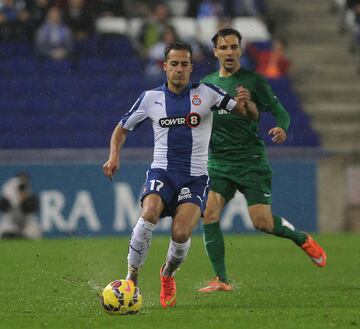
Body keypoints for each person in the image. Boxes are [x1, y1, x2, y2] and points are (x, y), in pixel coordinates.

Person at [102, 42, 258, 308]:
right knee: (149, 212)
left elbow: (249, 115)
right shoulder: (151, 98)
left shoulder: (207, 94)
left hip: (195, 178)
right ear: (165, 67)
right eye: (174, 64)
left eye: (185, 64)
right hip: (162, 171)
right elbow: (121, 129)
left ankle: (168, 274)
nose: (179, 69)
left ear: (191, 67)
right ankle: (131, 278)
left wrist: (248, 104)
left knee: (181, 232)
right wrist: (114, 155)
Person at [198, 27, 327, 293]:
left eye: (234, 47)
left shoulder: (254, 82)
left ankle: (301, 238)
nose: (229, 52)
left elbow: (281, 113)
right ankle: (221, 279)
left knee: (262, 223)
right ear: (215, 52)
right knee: (208, 213)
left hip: (250, 161)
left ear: (240, 50)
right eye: (224, 47)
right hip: (218, 162)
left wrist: (282, 128)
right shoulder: (206, 84)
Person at [0, 173, 42, 239]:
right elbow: (3, 207)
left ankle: (21, 238)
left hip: (26, 225)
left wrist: (21, 199)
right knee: (3, 231)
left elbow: (29, 208)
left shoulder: (30, 198)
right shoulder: (8, 197)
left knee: (35, 231)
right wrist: (12, 198)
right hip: (11, 224)